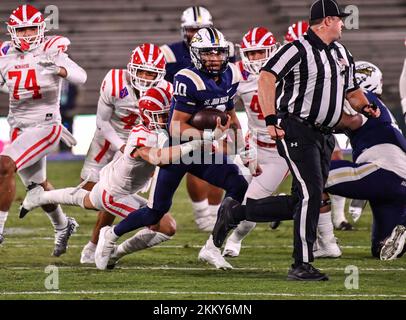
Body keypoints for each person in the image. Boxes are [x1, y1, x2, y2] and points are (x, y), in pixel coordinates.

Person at [213, 0, 380, 281]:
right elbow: (267, 77)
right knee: (311, 194)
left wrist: (365, 106)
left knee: (303, 199)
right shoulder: (296, 49)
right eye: (339, 19)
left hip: (325, 136)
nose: (343, 23)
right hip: (297, 129)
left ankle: (237, 212)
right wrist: (269, 118)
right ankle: (301, 263)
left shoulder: (341, 52)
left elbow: (351, 90)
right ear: (326, 21)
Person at [94, 27, 251, 271]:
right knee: (155, 212)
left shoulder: (231, 73)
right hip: (177, 151)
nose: (215, 58)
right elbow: (176, 126)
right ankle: (111, 234)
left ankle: (212, 247)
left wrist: (244, 150)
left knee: (239, 183)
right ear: (196, 54)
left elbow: (230, 115)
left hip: (200, 150)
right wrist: (208, 135)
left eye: (219, 53)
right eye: (208, 53)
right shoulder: (187, 78)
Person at [19, 87, 199, 268]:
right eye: (161, 116)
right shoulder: (144, 136)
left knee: (83, 199)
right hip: (115, 193)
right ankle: (113, 248)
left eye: (168, 115)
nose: (166, 120)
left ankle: (39, 197)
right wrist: (194, 143)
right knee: (165, 226)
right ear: (147, 115)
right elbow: (158, 158)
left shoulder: (157, 131)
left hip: (113, 184)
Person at [0, 4, 87, 255]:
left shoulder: (51, 49)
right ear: (12, 31)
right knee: (36, 188)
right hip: (18, 126)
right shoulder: (5, 53)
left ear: (41, 29)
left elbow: (80, 76)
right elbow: (9, 83)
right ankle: (63, 225)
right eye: (22, 30)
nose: (27, 35)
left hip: (46, 125)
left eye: (31, 29)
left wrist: (59, 69)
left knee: (4, 165)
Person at [79, 44, 172, 264]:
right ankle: (83, 233)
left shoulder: (167, 90)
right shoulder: (114, 81)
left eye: (151, 73)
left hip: (144, 146)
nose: (145, 77)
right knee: (92, 194)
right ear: (131, 68)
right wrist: (122, 146)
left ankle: (96, 245)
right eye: (141, 71)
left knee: (115, 192)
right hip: (110, 137)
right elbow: (102, 121)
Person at [315, 60, 406, 261]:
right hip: (398, 183)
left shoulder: (367, 99)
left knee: (312, 177)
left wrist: (316, 120)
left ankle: (326, 243)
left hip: (383, 173)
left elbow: (352, 121)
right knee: (381, 249)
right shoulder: (382, 108)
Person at [160, 6, 235, 232]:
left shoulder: (225, 51)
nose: (196, 34)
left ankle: (214, 214)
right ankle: (202, 214)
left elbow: (229, 84)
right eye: (192, 29)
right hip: (183, 116)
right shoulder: (170, 54)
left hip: (213, 113)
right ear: (184, 30)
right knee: (193, 161)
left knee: (219, 159)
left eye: (201, 29)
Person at [221, 27, 290, 259]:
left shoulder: (290, 72)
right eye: (250, 54)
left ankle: (235, 239)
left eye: (259, 53)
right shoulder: (238, 74)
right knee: (232, 197)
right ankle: (212, 245)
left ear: (272, 51)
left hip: (280, 153)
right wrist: (241, 146)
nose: (254, 59)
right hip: (254, 145)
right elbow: (227, 113)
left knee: (251, 206)